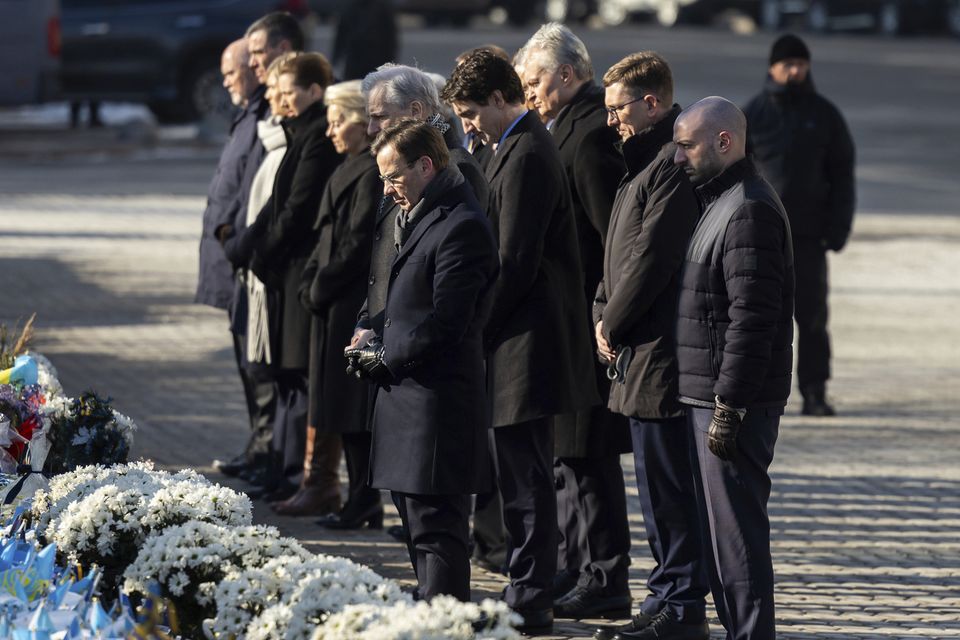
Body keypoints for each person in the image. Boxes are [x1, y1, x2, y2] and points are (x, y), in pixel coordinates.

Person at [442, 50, 600, 635]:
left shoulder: (530, 151)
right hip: (511, 341)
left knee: (527, 477)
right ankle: (526, 582)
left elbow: (515, 261)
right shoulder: (509, 145)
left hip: (526, 346)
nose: (467, 126)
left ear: (504, 98)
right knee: (520, 475)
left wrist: (472, 329)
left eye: (471, 112)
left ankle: (532, 595)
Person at [345, 119, 499, 602]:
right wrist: (373, 330)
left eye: (393, 177)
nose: (387, 190)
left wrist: (386, 358)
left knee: (437, 534)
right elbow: (410, 301)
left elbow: (448, 321)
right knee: (416, 528)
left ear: (426, 166)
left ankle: (445, 624)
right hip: (407, 403)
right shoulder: (419, 213)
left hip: (437, 407)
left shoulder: (461, 224)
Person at [591, 52, 709, 640]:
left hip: (661, 355)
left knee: (670, 492)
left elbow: (651, 260)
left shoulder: (671, 164)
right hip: (635, 352)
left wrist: (609, 322)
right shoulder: (638, 163)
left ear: (652, 103)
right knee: (654, 490)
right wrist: (600, 312)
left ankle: (682, 605)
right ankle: (665, 595)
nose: (611, 121)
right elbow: (613, 258)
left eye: (617, 109)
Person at [517, 23, 632, 619]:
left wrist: (605, 314)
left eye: (534, 82)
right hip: (565, 321)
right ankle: (576, 565)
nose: (529, 93)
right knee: (567, 454)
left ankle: (607, 575)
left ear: (567, 73)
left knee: (588, 455)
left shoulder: (588, 136)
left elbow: (612, 235)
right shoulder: (562, 126)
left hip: (588, 320)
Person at [673, 96, 795, 640]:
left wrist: (729, 405)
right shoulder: (720, 200)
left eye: (687, 145)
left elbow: (754, 320)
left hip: (732, 405)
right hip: (710, 397)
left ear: (725, 142)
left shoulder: (748, 208)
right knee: (722, 540)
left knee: (738, 537)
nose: (678, 158)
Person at [224, 53, 342, 502]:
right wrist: (244, 247)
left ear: (315, 91)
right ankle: (285, 469)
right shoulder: (299, 133)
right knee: (287, 376)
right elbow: (275, 206)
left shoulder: (315, 138)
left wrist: (257, 254)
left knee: (297, 377)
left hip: (296, 272)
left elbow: (295, 212)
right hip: (282, 271)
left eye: (288, 91)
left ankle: (298, 474)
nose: (281, 100)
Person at [273, 80, 383, 519]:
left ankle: (364, 499)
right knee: (336, 406)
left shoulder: (372, 170)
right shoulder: (348, 164)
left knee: (352, 408)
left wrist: (320, 284)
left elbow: (357, 242)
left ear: (360, 124)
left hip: (346, 300)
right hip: (328, 301)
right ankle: (350, 497)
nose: (331, 131)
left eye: (339, 122)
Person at [743, 34, 855, 416]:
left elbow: (842, 174)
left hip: (808, 238)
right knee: (760, 318)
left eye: (801, 64)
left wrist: (838, 228)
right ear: (772, 67)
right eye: (788, 64)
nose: (795, 71)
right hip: (760, 239)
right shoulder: (752, 115)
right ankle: (756, 392)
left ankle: (814, 391)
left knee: (812, 320)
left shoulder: (824, 115)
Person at [196, 39, 271, 479]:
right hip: (231, 256)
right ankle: (258, 447)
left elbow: (252, 193)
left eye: (232, 71)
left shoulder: (264, 115)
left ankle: (267, 454)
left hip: (245, 255)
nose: (225, 81)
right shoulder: (248, 114)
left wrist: (233, 235)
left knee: (259, 367)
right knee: (247, 366)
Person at [332, 0, 398, 81]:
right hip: (357, 59)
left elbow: (390, 36)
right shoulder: (351, 7)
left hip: (372, 59)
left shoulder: (382, 7)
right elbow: (342, 34)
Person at [246, 12, 305, 86]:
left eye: (259, 52)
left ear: (284, 49)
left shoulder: (310, 94)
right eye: (250, 54)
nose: (251, 63)